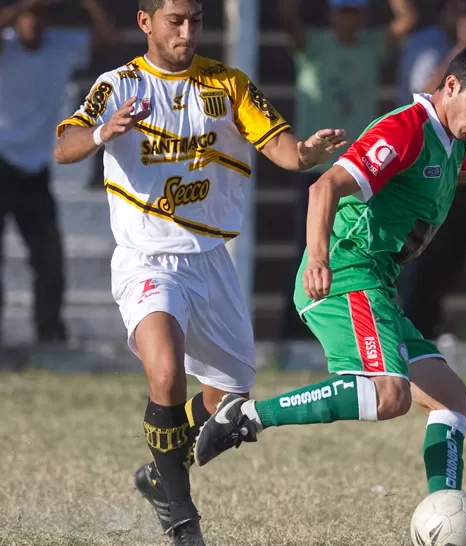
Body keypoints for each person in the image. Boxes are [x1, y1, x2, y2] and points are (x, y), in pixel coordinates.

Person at [191, 41, 466, 544]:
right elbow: (323, 188)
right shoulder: (404, 130)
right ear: (450, 86)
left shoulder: (450, 139)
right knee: (387, 395)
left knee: (451, 398)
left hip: (377, 286)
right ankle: (246, 417)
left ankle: (445, 517)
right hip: (348, 274)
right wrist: (319, 256)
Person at [53, 0, 346, 544]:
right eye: (175, 21)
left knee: (228, 398)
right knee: (165, 377)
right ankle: (182, 520)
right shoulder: (118, 85)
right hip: (147, 257)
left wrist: (306, 153)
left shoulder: (230, 84)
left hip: (211, 260)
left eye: (196, 21)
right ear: (145, 22)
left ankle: (158, 476)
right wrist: (101, 133)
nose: (187, 32)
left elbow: (282, 150)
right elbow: (63, 145)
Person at [277, 0, 416, 339]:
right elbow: (286, 15)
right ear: (331, 14)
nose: (350, 20)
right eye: (344, 12)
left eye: (356, 12)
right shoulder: (314, 44)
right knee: (307, 251)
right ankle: (296, 332)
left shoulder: (372, 45)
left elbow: (408, 18)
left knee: (359, 250)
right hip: (318, 171)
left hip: (359, 173)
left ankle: (358, 327)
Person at [0, 0, 119, 345]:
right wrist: (27, 4)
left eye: (40, 18)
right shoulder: (6, 46)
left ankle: (49, 332)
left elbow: (109, 35)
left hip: (35, 172)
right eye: (28, 19)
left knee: (49, 259)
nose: (33, 25)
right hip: (1, 164)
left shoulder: (61, 48)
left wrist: (88, 5)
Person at [395, 0, 466, 338]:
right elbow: (423, 95)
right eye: (460, 9)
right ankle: (407, 330)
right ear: (444, 12)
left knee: (451, 258)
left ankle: (426, 329)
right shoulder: (425, 44)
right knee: (420, 258)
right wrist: (463, 48)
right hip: (427, 172)